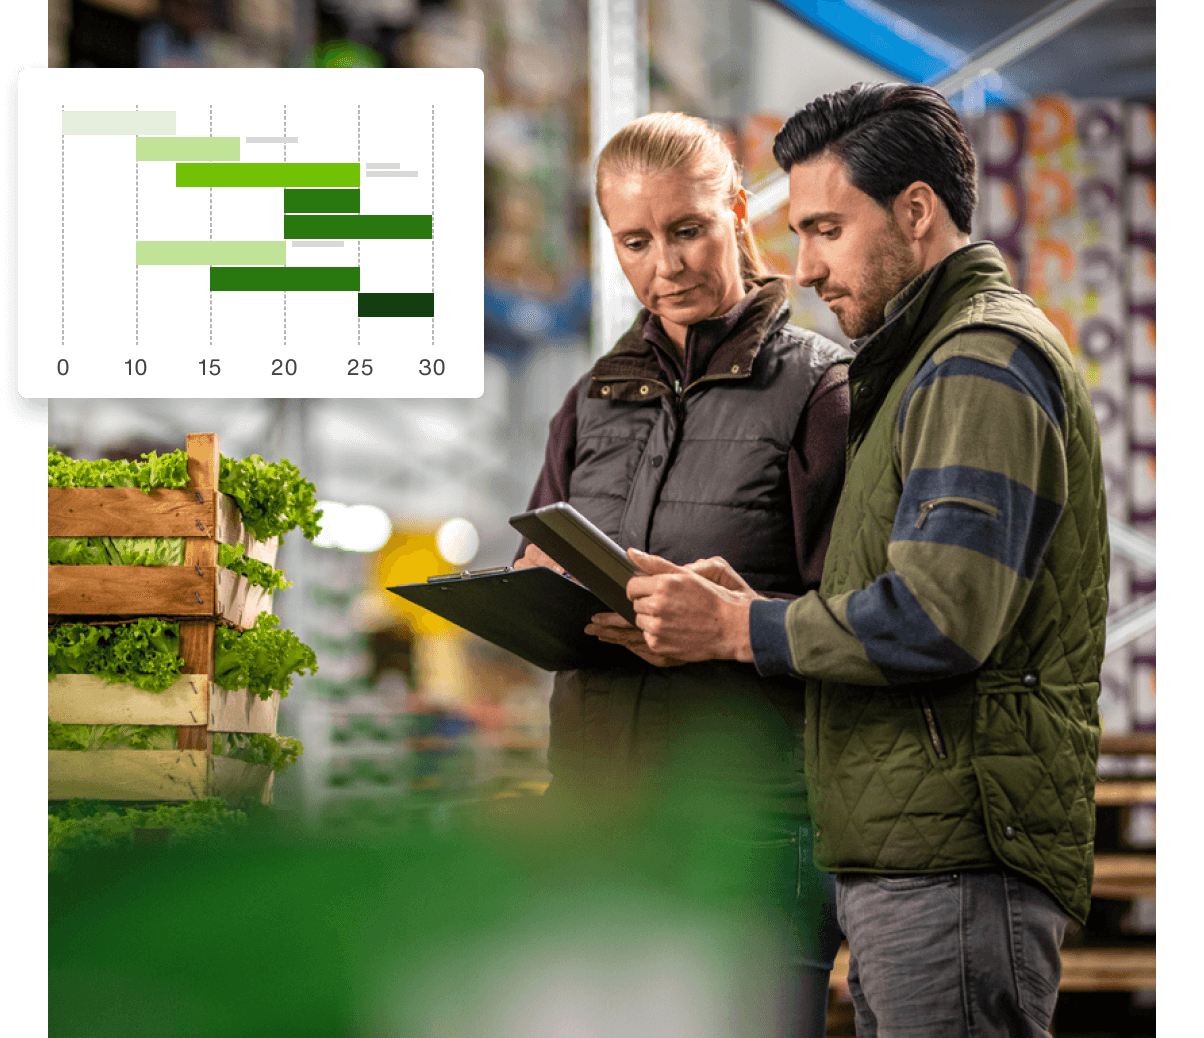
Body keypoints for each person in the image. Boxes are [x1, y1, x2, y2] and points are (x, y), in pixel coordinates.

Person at [591, 84, 1109, 1038]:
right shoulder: (921, 364)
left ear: (915, 212)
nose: (806, 266)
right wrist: (757, 604)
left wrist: (743, 628)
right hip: (908, 847)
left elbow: (942, 615)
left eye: (826, 228)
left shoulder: (977, 361)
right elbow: (900, 592)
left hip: (952, 849)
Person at [515, 111, 852, 1037]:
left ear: (738, 213)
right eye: (635, 241)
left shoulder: (821, 390)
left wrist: (734, 626)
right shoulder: (591, 399)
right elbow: (540, 546)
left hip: (748, 819)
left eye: (687, 229)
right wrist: (532, 588)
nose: (665, 263)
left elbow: (861, 621)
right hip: (594, 808)